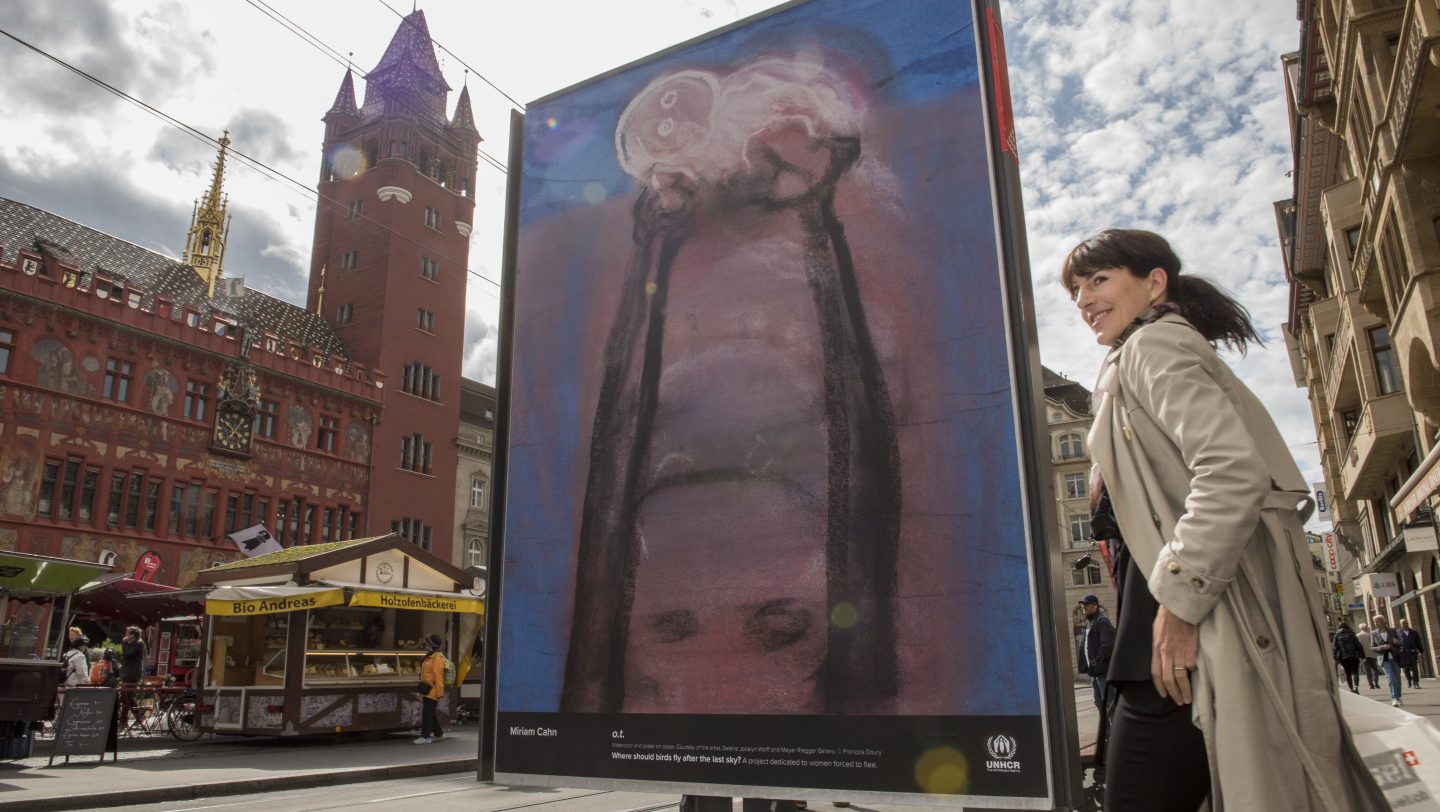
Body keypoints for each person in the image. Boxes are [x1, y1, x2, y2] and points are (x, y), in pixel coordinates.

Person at [1067, 229, 1385, 810]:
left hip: (1187, 636)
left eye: (1098, 280)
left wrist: (1181, 604)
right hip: (1164, 638)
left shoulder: (1154, 347)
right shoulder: (1138, 357)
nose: (1083, 299)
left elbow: (1231, 472)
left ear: (1154, 281)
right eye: (1075, 290)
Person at [1077, 594, 1116, 712]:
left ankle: (1113, 729)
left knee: (1108, 702)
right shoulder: (1091, 623)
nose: (1083, 607)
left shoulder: (1102, 621)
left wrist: (1097, 661)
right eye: (1082, 605)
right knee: (1099, 701)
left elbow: (1107, 644)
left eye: (1086, 605)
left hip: (1103, 670)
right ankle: (1107, 728)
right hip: (1095, 671)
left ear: (1095, 606)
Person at [415, 634, 446, 744]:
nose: (425, 645)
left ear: (431, 645)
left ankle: (425, 737)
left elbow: (439, 676)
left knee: (427, 713)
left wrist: (439, 693)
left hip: (432, 689)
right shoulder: (431, 656)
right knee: (430, 712)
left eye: (427, 644)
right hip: (427, 688)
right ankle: (439, 734)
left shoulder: (436, 658)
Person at [1371, 615, 1404, 706]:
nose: (1376, 624)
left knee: (1397, 678)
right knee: (1391, 678)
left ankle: (1398, 696)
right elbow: (1372, 647)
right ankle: (1394, 698)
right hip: (1384, 659)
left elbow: (1400, 643)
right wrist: (1382, 647)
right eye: (1375, 622)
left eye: (1377, 621)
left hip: (1395, 657)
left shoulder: (1392, 631)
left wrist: (1397, 642)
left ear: (1383, 622)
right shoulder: (1374, 633)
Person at [119, 626, 148, 727]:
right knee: (125, 697)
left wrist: (124, 643)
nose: (126, 635)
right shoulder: (130, 643)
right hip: (126, 672)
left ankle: (123, 720)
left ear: (133, 635)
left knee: (127, 696)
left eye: (128, 633)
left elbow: (128, 654)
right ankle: (139, 716)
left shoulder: (139, 643)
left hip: (133, 673)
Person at [1332, 623, 1363, 693]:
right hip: (1354, 656)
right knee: (1355, 672)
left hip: (1343, 657)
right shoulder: (1352, 634)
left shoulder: (1337, 635)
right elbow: (1358, 645)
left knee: (1347, 673)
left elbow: (1335, 647)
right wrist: (1362, 655)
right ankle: (1356, 686)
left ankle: (1351, 688)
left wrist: (1334, 656)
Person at [1398, 617, 1425, 689]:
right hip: (1403, 653)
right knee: (1406, 668)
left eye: (1406, 623)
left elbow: (1418, 642)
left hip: (1412, 652)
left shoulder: (1413, 632)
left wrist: (1421, 651)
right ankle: (1409, 679)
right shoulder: (1398, 632)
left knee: (1414, 668)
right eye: (1403, 623)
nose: (1405, 625)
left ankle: (1415, 682)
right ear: (1400, 624)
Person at [1358, 623, 1381, 689]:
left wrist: (1359, 656)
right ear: (1365, 628)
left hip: (1364, 655)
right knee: (1375, 669)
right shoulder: (1371, 635)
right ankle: (1376, 682)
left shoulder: (1358, 636)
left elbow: (1358, 647)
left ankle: (1371, 685)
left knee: (1368, 670)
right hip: (1373, 654)